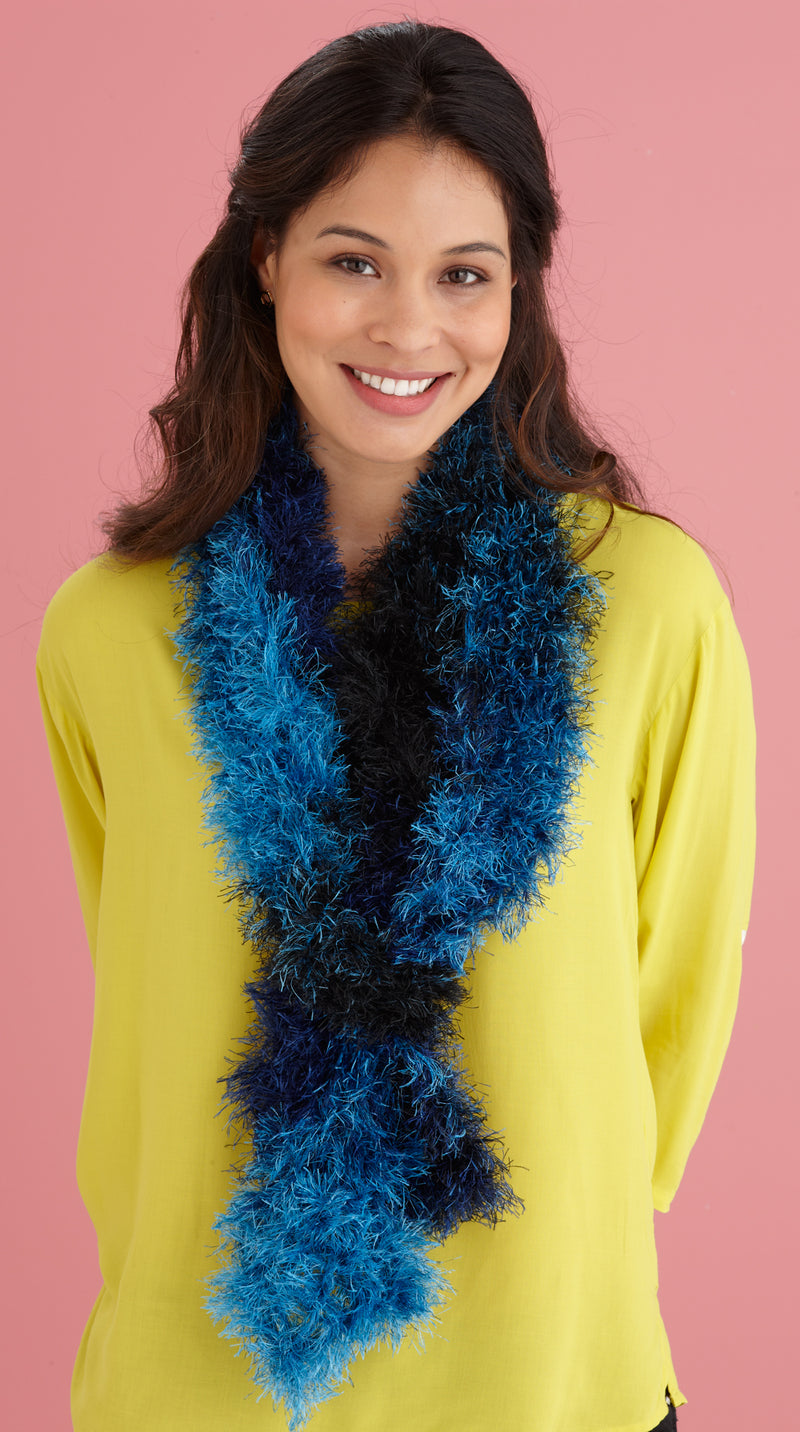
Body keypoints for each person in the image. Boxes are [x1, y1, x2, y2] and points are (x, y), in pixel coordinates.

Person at [35, 20, 755, 1432]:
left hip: (550, 1372)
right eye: (354, 261)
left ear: (518, 291)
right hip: (198, 1376)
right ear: (267, 261)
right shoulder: (109, 630)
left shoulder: (650, 605)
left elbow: (674, 994)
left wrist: (579, 1223)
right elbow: (151, 988)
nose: (409, 329)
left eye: (463, 274)